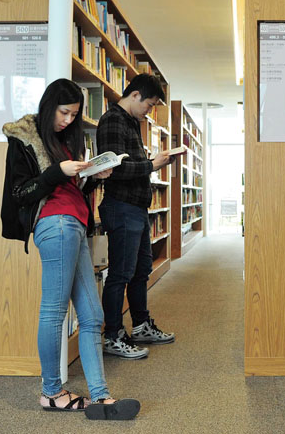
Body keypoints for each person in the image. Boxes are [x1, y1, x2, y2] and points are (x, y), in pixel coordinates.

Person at [0, 78, 139, 421]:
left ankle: (101, 397)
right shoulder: (24, 138)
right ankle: (51, 392)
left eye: (74, 116)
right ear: (50, 106)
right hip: (55, 223)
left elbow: (72, 187)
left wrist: (94, 176)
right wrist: (56, 172)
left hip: (76, 223)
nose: (67, 120)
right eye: (64, 112)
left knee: (93, 317)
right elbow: (21, 192)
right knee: (54, 311)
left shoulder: (64, 142)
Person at [96, 73, 175, 359]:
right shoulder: (113, 120)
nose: (150, 111)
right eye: (150, 104)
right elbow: (114, 169)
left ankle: (141, 325)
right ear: (135, 95)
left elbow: (131, 163)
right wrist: (153, 164)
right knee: (120, 274)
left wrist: (151, 161)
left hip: (137, 208)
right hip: (121, 207)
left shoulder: (130, 122)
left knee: (141, 271)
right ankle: (113, 335)